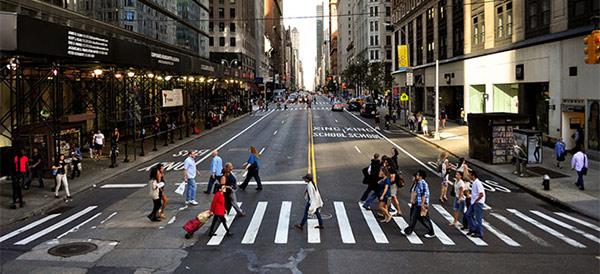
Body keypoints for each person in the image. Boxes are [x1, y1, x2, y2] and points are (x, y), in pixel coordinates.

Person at [401, 170, 435, 238]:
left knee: (421, 218)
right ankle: (409, 230)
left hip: (420, 204)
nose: (416, 176)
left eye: (417, 175)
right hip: (417, 203)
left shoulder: (422, 183)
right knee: (419, 218)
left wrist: (422, 205)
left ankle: (431, 232)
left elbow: (423, 195)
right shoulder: (418, 183)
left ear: (420, 176)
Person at [465, 170, 485, 238]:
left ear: (473, 175)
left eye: (470, 174)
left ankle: (479, 232)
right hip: (473, 202)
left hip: (477, 203)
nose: (469, 176)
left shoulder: (478, 183)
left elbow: (481, 194)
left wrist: (477, 200)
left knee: (478, 218)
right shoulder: (474, 183)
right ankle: (473, 228)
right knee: (468, 215)